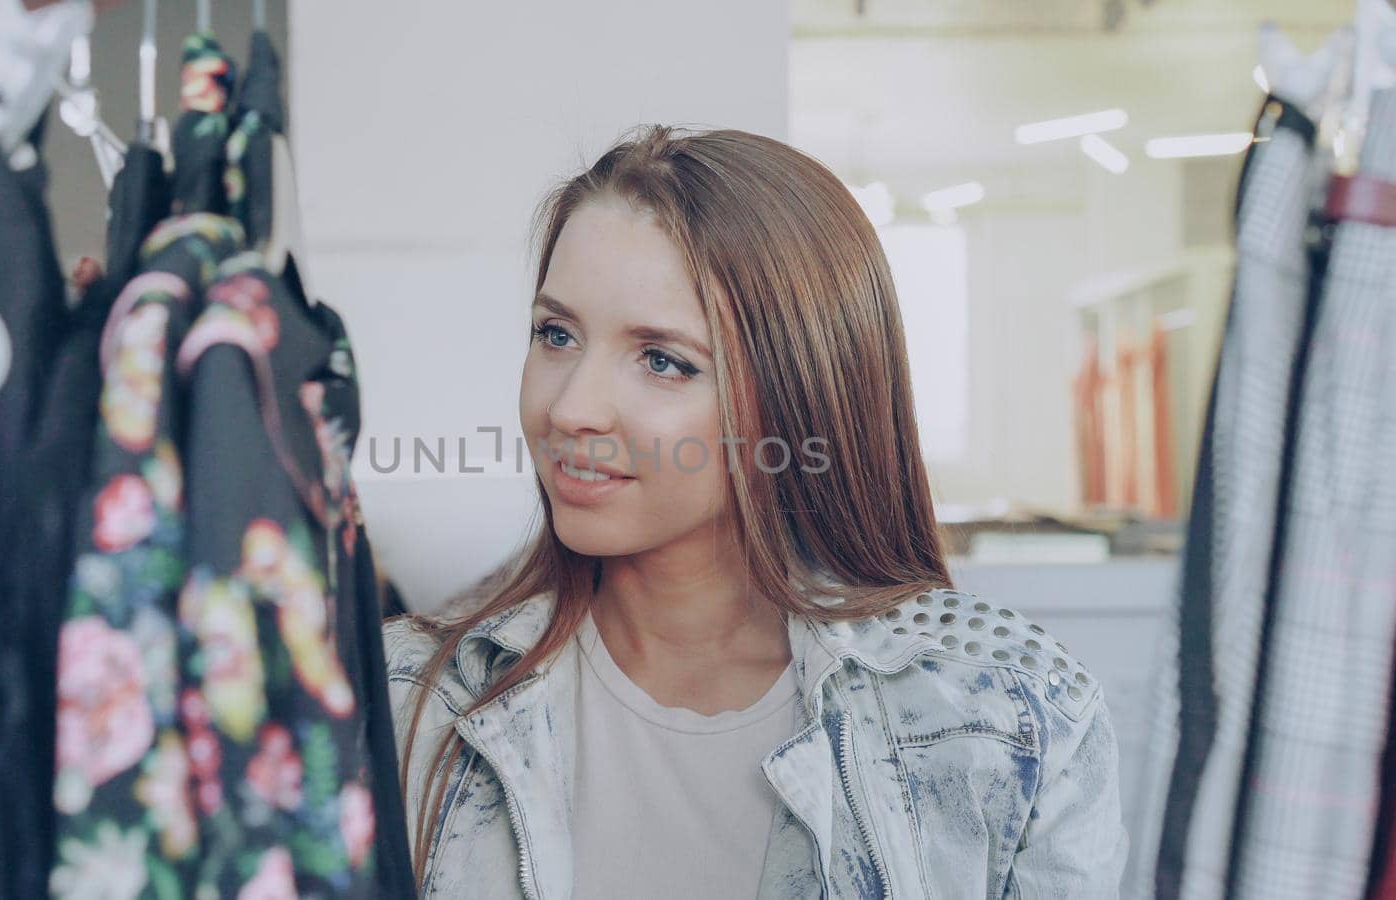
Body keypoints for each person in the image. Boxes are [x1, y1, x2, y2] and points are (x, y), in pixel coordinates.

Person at [382, 124, 1128, 899]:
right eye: (556, 334)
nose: (572, 408)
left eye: (663, 360)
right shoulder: (407, 699)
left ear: (801, 392)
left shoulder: (1012, 717)